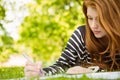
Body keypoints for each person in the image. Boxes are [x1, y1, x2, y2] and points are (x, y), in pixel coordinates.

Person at [24, 0, 120, 77]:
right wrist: (41, 73)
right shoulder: (81, 35)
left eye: (99, 19)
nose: (93, 25)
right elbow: (62, 65)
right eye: (90, 18)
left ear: (114, 17)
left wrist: (91, 70)